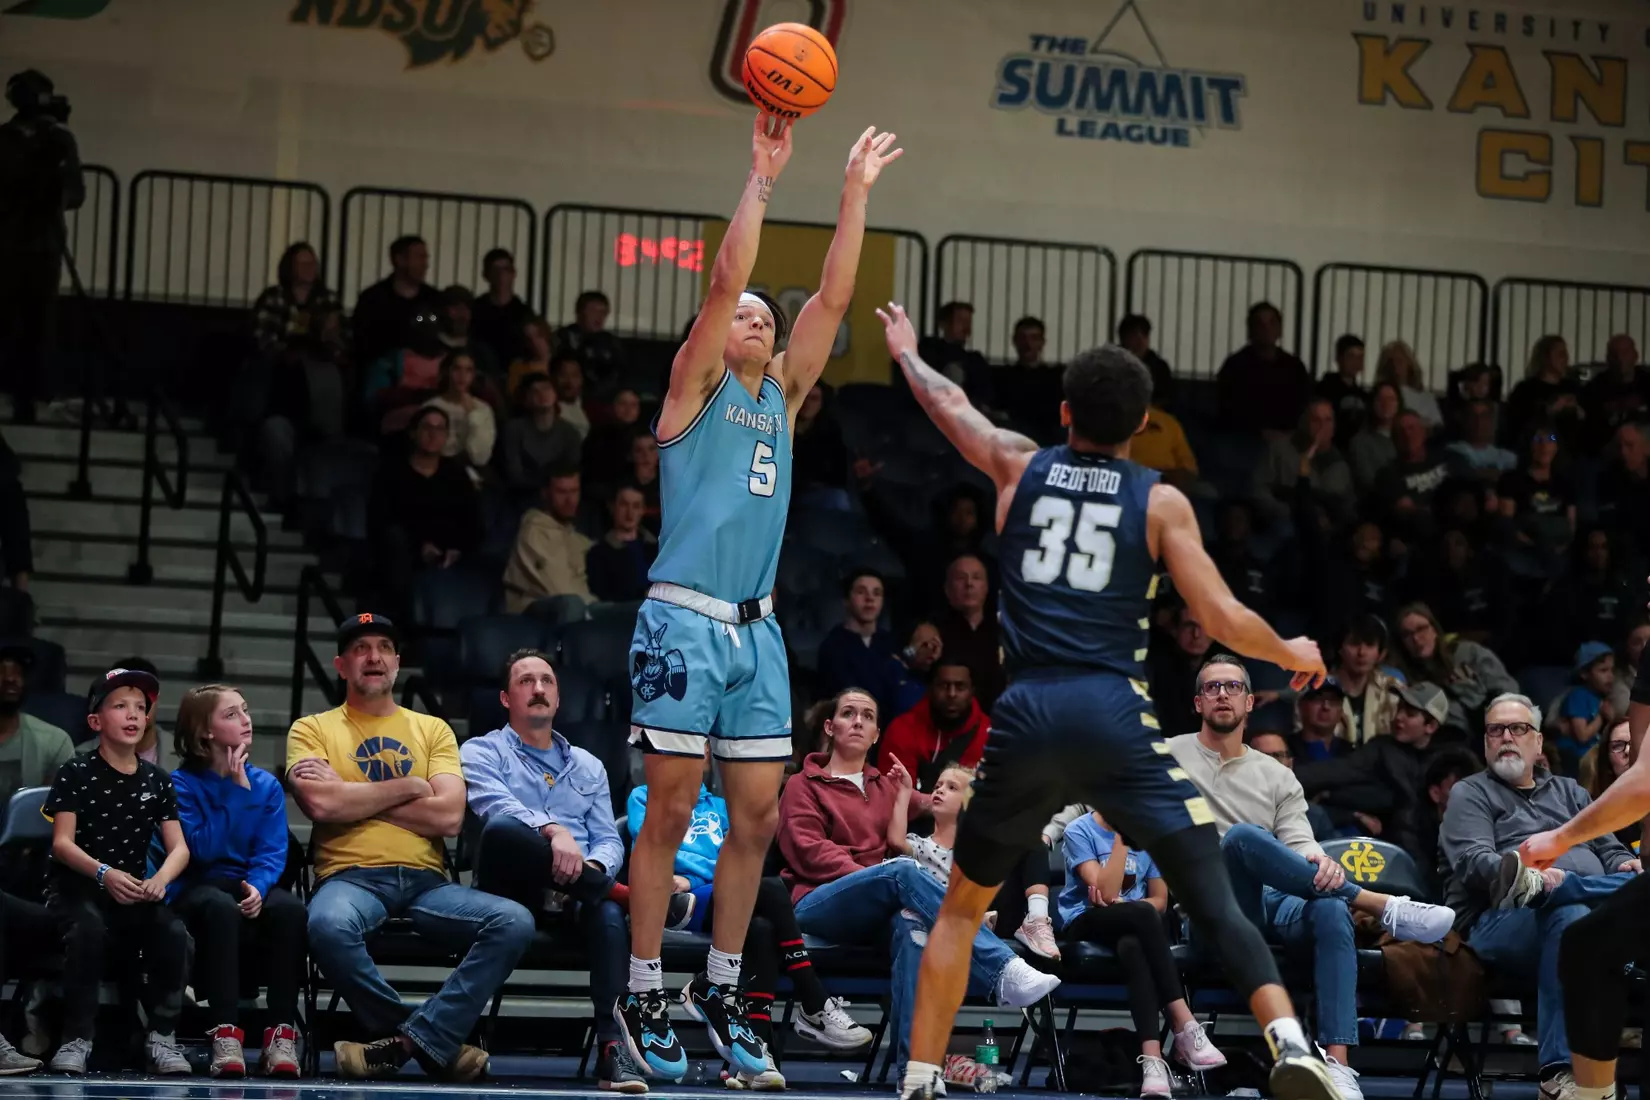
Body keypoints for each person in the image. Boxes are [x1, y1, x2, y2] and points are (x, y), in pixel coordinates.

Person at [872, 307, 1342, 1100]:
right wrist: (1291, 651)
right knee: (1213, 893)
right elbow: (1222, 619)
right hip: (1113, 713)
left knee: (958, 909)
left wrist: (911, 356)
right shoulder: (1160, 501)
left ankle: (920, 1077)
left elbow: (949, 405)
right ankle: (1293, 1044)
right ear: (1146, 423)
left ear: (1063, 414)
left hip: (1023, 714)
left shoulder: (1019, 467)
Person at [619, 114, 902, 1083]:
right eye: (746, 315)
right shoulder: (692, 391)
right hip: (682, 615)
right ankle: (646, 985)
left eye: (766, 320)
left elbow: (833, 294)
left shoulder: (780, 400)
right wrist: (764, 178)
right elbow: (717, 281)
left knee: (755, 818)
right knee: (667, 808)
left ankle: (725, 987)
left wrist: (855, 193)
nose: (759, 322)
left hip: (758, 630)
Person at [1171, 657, 1456, 1100]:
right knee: (1242, 839)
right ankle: (1382, 905)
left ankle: (1338, 1068)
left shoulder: (1279, 776)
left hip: (1275, 900)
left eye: (1232, 687)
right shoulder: (1169, 756)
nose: (1222, 694)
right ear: (1197, 703)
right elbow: (1093, 800)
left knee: (1327, 904)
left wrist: (1322, 865)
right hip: (1212, 908)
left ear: (1249, 702)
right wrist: (1050, 828)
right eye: (1212, 688)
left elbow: (1303, 845)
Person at [287, 614, 533, 1081]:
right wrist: (413, 785)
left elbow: (449, 817)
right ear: (341, 665)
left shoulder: (433, 729)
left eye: (384, 647)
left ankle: (402, 1043)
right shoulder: (311, 729)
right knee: (325, 923)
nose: (373, 657)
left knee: (513, 921)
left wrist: (352, 794)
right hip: (349, 876)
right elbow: (319, 803)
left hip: (427, 882)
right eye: (361, 649)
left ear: (398, 663)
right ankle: (431, 1041)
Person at [780, 690, 1058, 1086]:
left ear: (877, 734)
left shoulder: (886, 786)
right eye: (847, 713)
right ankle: (1002, 967)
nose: (858, 721)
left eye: (867, 716)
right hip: (818, 904)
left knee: (913, 930)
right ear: (831, 726)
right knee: (903, 872)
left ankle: (917, 1071)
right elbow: (807, 852)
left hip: (880, 909)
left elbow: (954, 798)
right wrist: (872, 873)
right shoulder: (803, 785)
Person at [629, 755, 874, 1090]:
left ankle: (759, 1057)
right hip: (674, 901)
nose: (690, 757)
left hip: (716, 895)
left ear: (706, 759)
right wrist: (701, 878)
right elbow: (657, 850)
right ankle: (813, 999)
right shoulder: (644, 796)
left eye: (699, 750)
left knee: (762, 927)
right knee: (770, 888)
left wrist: (709, 877)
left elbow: (740, 860)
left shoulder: (720, 806)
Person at [460, 650, 643, 1093]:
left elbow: (608, 838)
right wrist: (553, 830)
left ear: (558, 699)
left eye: (547, 681)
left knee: (606, 915)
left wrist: (592, 866)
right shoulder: (481, 751)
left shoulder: (589, 765)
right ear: (506, 698)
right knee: (504, 830)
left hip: (577, 897)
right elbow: (494, 808)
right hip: (510, 893)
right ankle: (616, 891)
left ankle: (611, 1048)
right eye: (526, 681)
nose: (538, 689)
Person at [1442, 693, 1640, 1100]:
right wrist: (1528, 876)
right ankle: (1559, 1074)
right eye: (1495, 730)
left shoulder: (1570, 792)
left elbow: (1610, 848)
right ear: (1485, 743)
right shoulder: (1470, 793)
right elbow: (1476, 864)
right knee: (1572, 919)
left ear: (1537, 742)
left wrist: (1623, 864)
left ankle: (1583, 889)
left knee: (1611, 899)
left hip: (1581, 910)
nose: (1506, 737)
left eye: (1518, 729)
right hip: (1498, 919)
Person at [45, 668, 192, 1076]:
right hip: (79, 888)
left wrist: (160, 879)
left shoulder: (158, 781)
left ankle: (163, 1036)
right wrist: (103, 873)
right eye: (120, 706)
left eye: (140, 708)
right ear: (95, 721)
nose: (133, 715)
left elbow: (179, 848)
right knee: (88, 929)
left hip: (130, 890)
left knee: (173, 932)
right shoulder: (75, 772)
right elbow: (62, 843)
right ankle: (77, 1038)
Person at [169, 684, 304, 1078]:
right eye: (231, 714)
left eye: (244, 711)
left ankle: (280, 1035)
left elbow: (273, 851)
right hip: (198, 885)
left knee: (291, 910)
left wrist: (260, 887)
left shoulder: (266, 785)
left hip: (249, 883)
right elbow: (200, 851)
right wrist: (232, 790)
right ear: (204, 730)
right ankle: (225, 1033)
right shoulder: (181, 785)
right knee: (219, 906)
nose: (245, 720)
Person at [1057, 808, 1227, 1096]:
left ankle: (1153, 1064)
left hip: (1135, 929)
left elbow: (1159, 900)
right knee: (1143, 916)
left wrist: (1128, 906)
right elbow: (1106, 894)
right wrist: (1123, 836)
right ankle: (1184, 1022)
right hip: (1085, 921)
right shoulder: (1079, 831)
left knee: (1134, 942)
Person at [0, 69, 82, 424]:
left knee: (41, 322)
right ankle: (10, 394)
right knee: (7, 320)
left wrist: (55, 180)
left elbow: (76, 192)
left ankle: (36, 395)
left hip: (45, 244)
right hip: (8, 242)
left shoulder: (60, 139)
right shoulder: (3, 139)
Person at [1297, 682, 1450, 863]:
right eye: (1399, 708)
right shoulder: (1381, 749)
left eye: (1409, 714)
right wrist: (1281, 779)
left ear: (1431, 726)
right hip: (1395, 853)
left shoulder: (1450, 760)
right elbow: (1335, 771)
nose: (1398, 717)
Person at [366, 406, 483, 610]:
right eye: (427, 427)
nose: (433, 434)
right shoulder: (391, 472)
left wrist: (456, 548)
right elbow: (381, 520)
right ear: (413, 433)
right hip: (405, 552)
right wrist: (420, 546)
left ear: (446, 437)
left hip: (449, 553)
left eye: (440, 429)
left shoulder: (456, 474)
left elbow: (472, 520)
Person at [1392, 601, 1517, 734]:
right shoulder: (1407, 680)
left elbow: (1507, 690)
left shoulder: (1469, 653)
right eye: (1407, 635)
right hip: (1452, 741)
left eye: (1421, 629)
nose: (1416, 639)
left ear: (1434, 630)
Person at [879, 659, 990, 792]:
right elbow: (894, 794)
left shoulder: (991, 733)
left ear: (972, 691)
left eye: (960, 687)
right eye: (943, 686)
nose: (952, 694)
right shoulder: (902, 729)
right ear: (930, 688)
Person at [814, 569, 909, 719]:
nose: (870, 598)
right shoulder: (833, 646)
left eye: (877, 593)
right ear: (846, 600)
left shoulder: (891, 642)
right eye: (861, 592)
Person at [502, 466, 594, 616]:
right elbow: (558, 589)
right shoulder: (534, 532)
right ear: (545, 494)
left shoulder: (577, 538)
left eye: (574, 491)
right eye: (562, 492)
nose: (570, 500)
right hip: (537, 612)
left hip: (586, 607)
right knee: (572, 604)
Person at [1215, 301, 1311, 434]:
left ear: (1279, 330)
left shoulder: (1294, 367)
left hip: (1288, 438)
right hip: (1244, 439)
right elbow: (1228, 410)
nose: (1266, 329)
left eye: (1272, 323)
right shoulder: (1234, 366)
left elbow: (1303, 407)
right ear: (1250, 330)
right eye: (1259, 324)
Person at [351, 235, 442, 369]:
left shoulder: (434, 299)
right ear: (399, 260)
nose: (425, 264)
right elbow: (362, 342)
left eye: (426, 257)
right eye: (419, 257)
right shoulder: (373, 299)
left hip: (426, 373)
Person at [934, 554, 1004, 712]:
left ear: (986, 587)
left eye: (977, 578)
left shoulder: (1004, 630)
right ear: (947, 588)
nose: (969, 584)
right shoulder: (935, 631)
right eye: (961, 578)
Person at [0, 641, 71, 794]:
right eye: (1, 671)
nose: (10, 678)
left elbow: (54, 811)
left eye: (18, 671)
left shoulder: (54, 742)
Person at [500, 372, 584, 498]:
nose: (542, 394)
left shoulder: (570, 432)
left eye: (547, 389)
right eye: (535, 391)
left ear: (555, 394)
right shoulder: (514, 429)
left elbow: (571, 474)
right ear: (526, 398)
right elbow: (514, 475)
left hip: (559, 496)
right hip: (522, 495)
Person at [1330, 615, 1402, 747]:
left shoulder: (1394, 689)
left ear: (1382, 654)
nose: (1362, 653)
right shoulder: (1317, 690)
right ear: (1340, 649)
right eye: (1354, 644)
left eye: (1370, 645)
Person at [422, 350, 496, 477]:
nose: (462, 376)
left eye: (468, 370)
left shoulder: (482, 409)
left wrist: (473, 415)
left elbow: (480, 457)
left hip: (471, 471)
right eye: (457, 369)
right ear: (447, 372)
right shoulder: (432, 406)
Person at [587, 483, 658, 604]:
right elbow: (603, 595)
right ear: (612, 507)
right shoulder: (599, 553)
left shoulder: (656, 548)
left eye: (636, 506)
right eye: (624, 505)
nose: (630, 512)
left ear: (643, 510)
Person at [471, 248, 534, 369]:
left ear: (513, 274)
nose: (501, 275)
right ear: (486, 275)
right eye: (495, 270)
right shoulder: (476, 309)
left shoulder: (523, 313)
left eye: (505, 269)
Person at [554, 290, 625, 398]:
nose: (599, 317)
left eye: (603, 312)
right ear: (579, 312)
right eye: (593, 311)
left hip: (604, 397)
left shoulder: (611, 342)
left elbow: (620, 372)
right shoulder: (564, 337)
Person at [1348, 380, 1403, 494]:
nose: (1385, 403)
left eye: (1391, 399)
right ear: (1372, 404)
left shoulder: (1407, 436)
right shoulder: (1360, 442)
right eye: (1380, 399)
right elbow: (1367, 482)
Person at [1373, 341, 1442, 429]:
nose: (1395, 366)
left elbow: (1437, 426)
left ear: (1409, 363)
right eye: (1391, 361)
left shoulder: (1426, 397)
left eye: (1399, 361)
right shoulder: (1380, 395)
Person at [1117, 314, 1176, 411]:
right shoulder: (1112, 364)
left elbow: (1167, 397)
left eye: (1144, 334)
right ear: (1123, 338)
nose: (1140, 340)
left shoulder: (1159, 367)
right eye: (1134, 335)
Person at [1317, 334, 1367, 444]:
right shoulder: (1323, 389)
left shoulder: (1364, 395)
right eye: (1351, 356)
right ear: (1339, 358)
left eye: (1360, 357)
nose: (1356, 362)